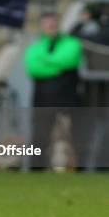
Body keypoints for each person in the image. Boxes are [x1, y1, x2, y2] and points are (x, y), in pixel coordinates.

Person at [24, 11, 82, 169]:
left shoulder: (72, 43)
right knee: (40, 137)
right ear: (42, 26)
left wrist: (46, 62)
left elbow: (68, 61)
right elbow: (34, 69)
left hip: (68, 100)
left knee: (73, 138)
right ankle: (37, 170)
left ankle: (78, 170)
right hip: (42, 100)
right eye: (47, 23)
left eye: (53, 23)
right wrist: (56, 67)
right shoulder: (35, 48)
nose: (51, 26)